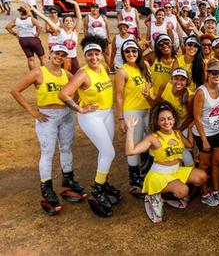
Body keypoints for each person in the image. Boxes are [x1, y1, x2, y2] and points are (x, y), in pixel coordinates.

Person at [10, 45, 86, 215]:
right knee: (48, 152)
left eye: (63, 55)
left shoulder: (66, 74)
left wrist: (73, 104)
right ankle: (46, 188)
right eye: (57, 53)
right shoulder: (38, 72)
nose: (59, 57)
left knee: (66, 148)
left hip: (65, 115)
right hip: (47, 117)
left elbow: (78, 87)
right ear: (50, 54)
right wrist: (33, 111)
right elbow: (15, 90)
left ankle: (68, 180)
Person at [59, 35, 121, 217]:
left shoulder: (102, 67)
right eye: (90, 54)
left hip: (106, 114)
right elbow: (64, 94)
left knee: (105, 152)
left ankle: (104, 182)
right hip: (91, 117)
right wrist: (79, 108)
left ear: (101, 55)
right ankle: (97, 190)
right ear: (84, 55)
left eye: (97, 54)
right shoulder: (83, 73)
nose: (94, 58)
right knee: (109, 152)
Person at [124, 103, 208, 223]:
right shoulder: (153, 138)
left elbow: (190, 145)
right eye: (162, 120)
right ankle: (154, 195)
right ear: (157, 122)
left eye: (169, 118)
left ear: (174, 120)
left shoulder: (177, 133)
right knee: (183, 191)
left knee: (202, 177)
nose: (166, 122)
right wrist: (131, 130)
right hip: (159, 175)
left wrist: (189, 129)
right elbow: (130, 151)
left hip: (176, 171)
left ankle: (166, 195)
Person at [114, 39, 153, 198]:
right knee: (134, 145)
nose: (131, 54)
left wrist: (148, 93)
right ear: (123, 54)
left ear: (138, 52)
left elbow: (150, 84)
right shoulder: (122, 71)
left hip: (147, 109)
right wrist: (121, 119)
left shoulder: (145, 66)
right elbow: (118, 97)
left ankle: (144, 169)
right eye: (127, 51)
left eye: (134, 51)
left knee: (148, 140)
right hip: (133, 111)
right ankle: (134, 180)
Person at [192, 61, 219, 206]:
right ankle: (205, 192)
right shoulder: (201, 92)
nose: (217, 76)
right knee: (204, 164)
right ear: (207, 73)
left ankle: (216, 190)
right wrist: (204, 139)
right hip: (204, 133)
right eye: (214, 73)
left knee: (217, 162)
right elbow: (197, 117)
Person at [5, 5, 46, 70]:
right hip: (33, 39)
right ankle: (45, 73)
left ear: (20, 12)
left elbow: (7, 27)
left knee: (30, 59)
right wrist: (37, 34)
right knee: (42, 57)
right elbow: (40, 26)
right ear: (28, 12)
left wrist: (16, 35)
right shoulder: (31, 19)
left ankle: (32, 74)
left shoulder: (16, 20)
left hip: (23, 40)